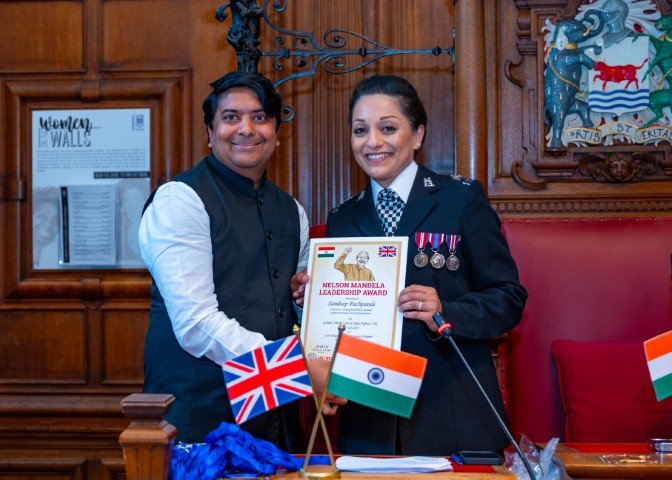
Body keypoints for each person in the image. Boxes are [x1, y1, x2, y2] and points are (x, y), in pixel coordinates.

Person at [291, 75, 527, 455]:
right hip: (370, 419)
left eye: (387, 128)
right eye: (360, 130)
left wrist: (446, 311)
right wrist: (312, 300)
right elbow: (340, 322)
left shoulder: (460, 200)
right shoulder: (342, 218)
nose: (372, 142)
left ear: (417, 135)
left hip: (451, 410)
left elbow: (509, 299)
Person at [139, 71, 339, 449]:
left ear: (276, 134)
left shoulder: (291, 211)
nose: (246, 128)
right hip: (201, 421)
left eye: (259, 117)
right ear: (210, 133)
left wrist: (305, 299)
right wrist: (296, 367)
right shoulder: (179, 201)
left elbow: (295, 312)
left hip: (274, 419)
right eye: (231, 117)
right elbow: (196, 324)